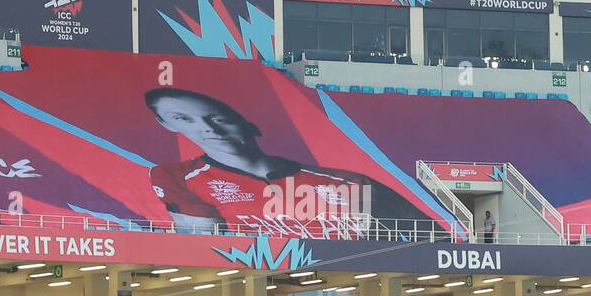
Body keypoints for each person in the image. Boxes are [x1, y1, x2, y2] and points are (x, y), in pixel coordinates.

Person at [143, 86, 429, 231]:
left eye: (219, 118)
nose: (208, 128)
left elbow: (432, 242)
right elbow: (206, 247)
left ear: (246, 122)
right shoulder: (176, 177)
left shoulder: (351, 183)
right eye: (183, 118)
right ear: (167, 125)